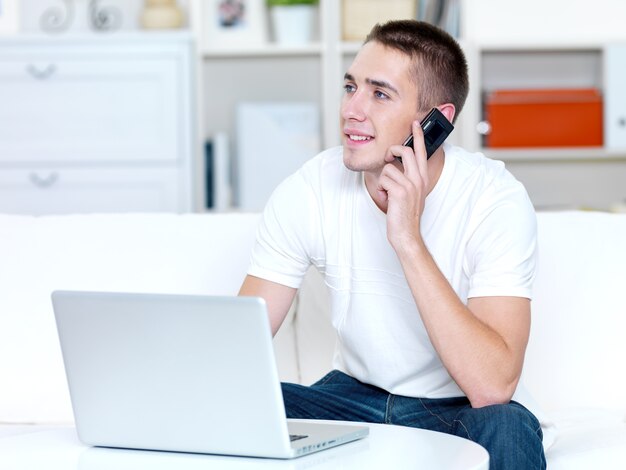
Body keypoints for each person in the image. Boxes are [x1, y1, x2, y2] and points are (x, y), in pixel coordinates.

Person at [239, 20, 546, 470]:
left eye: (380, 94)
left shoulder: (494, 198)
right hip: (352, 397)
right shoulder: (309, 188)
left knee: (508, 425)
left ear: (434, 120)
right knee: (243, 403)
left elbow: (492, 385)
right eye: (350, 86)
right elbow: (240, 344)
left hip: (456, 407)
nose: (351, 109)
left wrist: (408, 239)